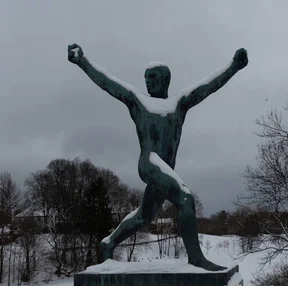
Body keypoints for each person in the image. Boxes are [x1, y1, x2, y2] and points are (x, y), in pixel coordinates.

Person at [67, 43, 248, 270]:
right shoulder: (138, 102)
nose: (148, 82)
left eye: (152, 77)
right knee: (185, 199)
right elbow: (108, 83)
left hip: (165, 170)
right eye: (146, 78)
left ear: (165, 79)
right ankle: (196, 259)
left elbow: (208, 86)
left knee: (144, 216)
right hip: (149, 164)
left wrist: (234, 66)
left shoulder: (179, 104)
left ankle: (109, 242)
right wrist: (82, 61)